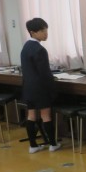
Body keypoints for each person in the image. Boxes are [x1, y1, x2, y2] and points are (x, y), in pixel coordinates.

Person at [20, 18, 61, 153]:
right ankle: (53, 144)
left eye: (46, 30)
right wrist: (52, 89)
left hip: (28, 87)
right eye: (42, 31)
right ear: (33, 32)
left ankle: (33, 146)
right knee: (46, 115)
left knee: (31, 116)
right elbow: (45, 73)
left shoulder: (26, 47)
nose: (46, 33)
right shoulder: (40, 49)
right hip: (40, 88)